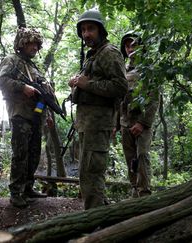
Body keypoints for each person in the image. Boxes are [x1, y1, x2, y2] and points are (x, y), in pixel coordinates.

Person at [68, 9, 128, 209]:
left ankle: (94, 221)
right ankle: (97, 212)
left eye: (91, 29)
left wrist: (87, 84)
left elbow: (121, 87)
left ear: (100, 30)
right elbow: (91, 82)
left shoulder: (109, 53)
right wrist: (77, 83)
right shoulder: (93, 56)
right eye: (83, 30)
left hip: (98, 122)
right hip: (86, 123)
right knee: (87, 171)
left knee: (92, 172)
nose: (86, 34)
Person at [0, 27, 53, 207]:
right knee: (21, 153)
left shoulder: (33, 66)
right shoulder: (11, 60)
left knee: (34, 153)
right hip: (20, 113)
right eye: (31, 43)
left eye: (37, 44)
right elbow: (1, 81)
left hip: (36, 116)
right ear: (21, 43)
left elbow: (44, 94)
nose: (35, 47)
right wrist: (23, 87)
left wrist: (49, 113)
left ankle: (28, 187)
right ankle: (16, 192)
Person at [117, 31, 158, 197]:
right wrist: (116, 124)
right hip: (125, 123)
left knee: (142, 156)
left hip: (141, 124)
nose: (129, 48)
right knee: (130, 159)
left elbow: (154, 99)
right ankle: (135, 190)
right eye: (127, 46)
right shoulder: (122, 70)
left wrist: (142, 123)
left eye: (133, 45)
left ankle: (144, 193)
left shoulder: (149, 69)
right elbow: (118, 100)